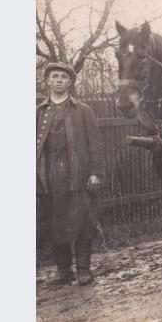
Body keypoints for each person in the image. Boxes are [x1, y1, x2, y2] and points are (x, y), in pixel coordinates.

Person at [37, 62, 105, 286]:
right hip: (49, 177)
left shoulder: (83, 110)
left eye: (63, 77)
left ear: (70, 82)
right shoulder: (39, 111)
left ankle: (84, 270)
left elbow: (95, 144)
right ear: (48, 80)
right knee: (55, 221)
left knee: (82, 221)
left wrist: (95, 172)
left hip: (77, 173)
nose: (58, 80)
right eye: (54, 76)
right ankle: (63, 271)